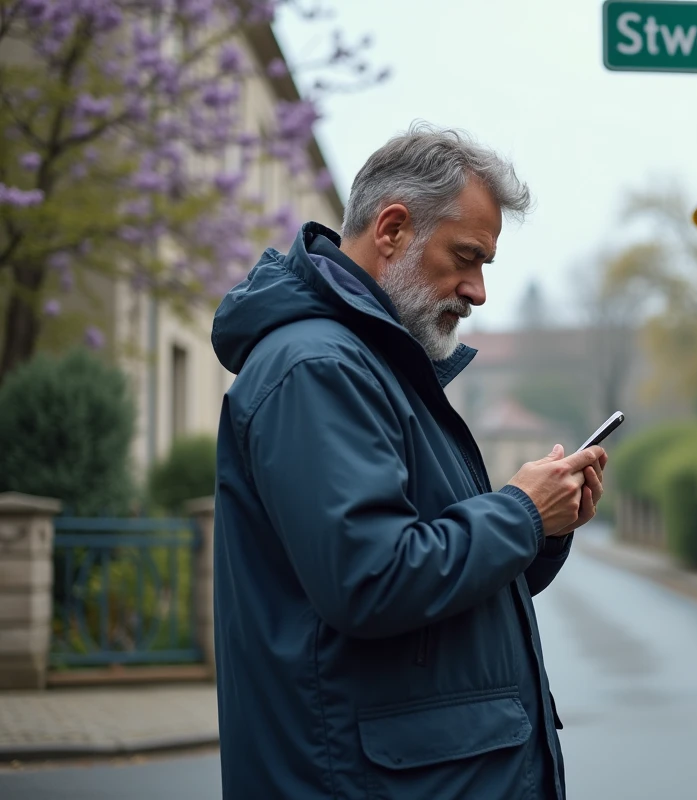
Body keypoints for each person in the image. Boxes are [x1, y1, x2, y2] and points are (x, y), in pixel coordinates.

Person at [209, 123, 604, 799]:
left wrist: (545, 527)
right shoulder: (318, 369)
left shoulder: (378, 367)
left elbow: (439, 597)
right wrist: (519, 513)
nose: (478, 292)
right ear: (392, 230)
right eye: (466, 256)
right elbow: (371, 579)